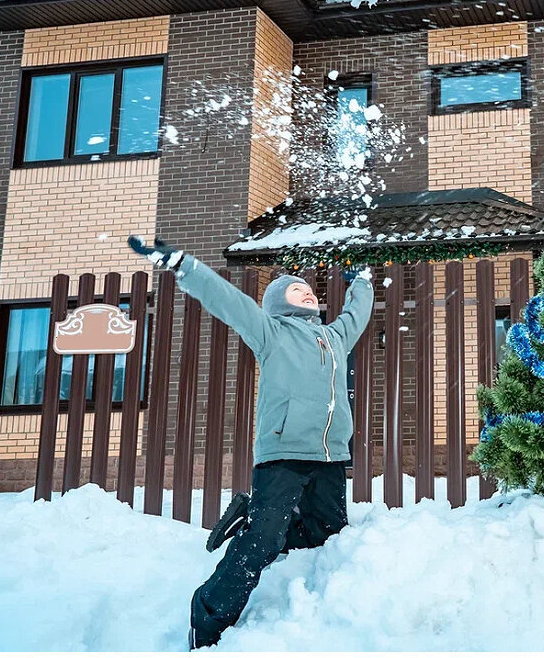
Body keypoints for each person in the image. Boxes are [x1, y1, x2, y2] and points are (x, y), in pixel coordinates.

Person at [128, 237, 374, 649]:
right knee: (262, 542)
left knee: (326, 534)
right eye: (297, 289)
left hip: (329, 456)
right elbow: (226, 299)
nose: (308, 291)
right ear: (279, 303)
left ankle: (255, 517)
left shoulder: (334, 338)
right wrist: (182, 264)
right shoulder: (271, 332)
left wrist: (363, 280)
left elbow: (358, 314)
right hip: (283, 454)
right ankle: (207, 614)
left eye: (309, 288)